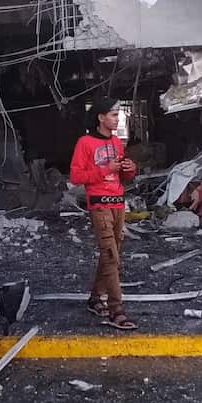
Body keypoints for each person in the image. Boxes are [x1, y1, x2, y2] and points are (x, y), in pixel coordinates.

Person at [69, 98, 137, 330]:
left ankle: (96, 298)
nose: (117, 119)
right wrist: (106, 169)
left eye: (118, 115)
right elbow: (76, 177)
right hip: (99, 205)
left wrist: (129, 169)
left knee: (112, 253)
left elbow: (121, 177)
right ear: (100, 117)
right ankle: (116, 309)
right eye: (113, 115)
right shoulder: (85, 143)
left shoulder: (117, 143)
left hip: (118, 204)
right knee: (111, 255)